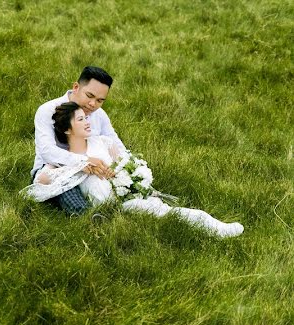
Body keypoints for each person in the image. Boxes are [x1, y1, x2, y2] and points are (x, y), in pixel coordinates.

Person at [26, 102, 244, 237]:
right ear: (66, 129)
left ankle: (216, 227)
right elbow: (41, 180)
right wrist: (81, 166)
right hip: (108, 208)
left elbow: (127, 164)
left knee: (165, 211)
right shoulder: (62, 160)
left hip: (126, 198)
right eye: (81, 119)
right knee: (158, 214)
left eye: (87, 117)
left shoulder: (102, 143)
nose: (88, 121)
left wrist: (133, 179)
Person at [32, 66, 124, 215]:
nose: (93, 104)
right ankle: (88, 215)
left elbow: (115, 141)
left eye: (100, 100)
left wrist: (129, 168)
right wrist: (83, 161)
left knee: (116, 186)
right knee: (66, 185)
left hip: (94, 170)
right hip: (54, 169)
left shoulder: (99, 114)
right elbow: (47, 151)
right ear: (76, 87)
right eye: (89, 95)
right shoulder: (48, 110)